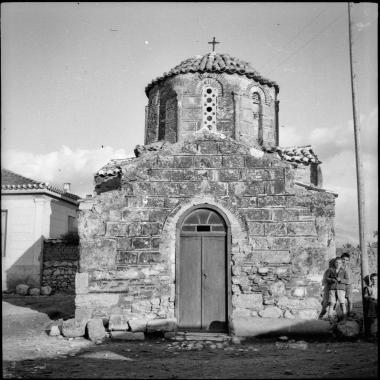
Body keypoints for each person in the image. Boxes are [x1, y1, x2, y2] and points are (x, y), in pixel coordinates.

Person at [364, 273, 378, 337]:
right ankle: (373, 333)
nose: (374, 281)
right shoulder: (368, 288)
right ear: (371, 280)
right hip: (372, 303)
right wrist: (370, 297)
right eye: (373, 279)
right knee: (373, 319)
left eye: (376, 279)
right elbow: (365, 296)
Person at [341, 252, 354, 317]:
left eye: (346, 260)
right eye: (343, 259)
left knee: (350, 300)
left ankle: (350, 313)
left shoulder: (349, 267)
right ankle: (344, 314)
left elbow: (351, 277)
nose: (345, 261)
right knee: (342, 301)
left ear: (348, 261)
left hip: (349, 285)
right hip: (342, 285)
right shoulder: (339, 267)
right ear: (341, 259)